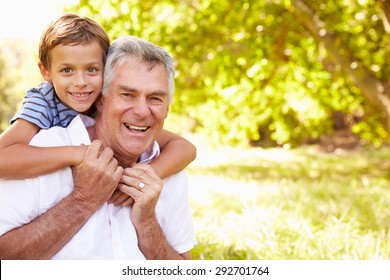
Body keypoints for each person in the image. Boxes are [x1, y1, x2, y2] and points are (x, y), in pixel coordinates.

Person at [0, 35, 197, 259]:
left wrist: (147, 224)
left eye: (155, 98)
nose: (142, 111)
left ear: (167, 108)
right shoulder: (40, 151)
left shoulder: (167, 167)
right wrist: (82, 201)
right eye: (127, 94)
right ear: (100, 99)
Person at [0, 14, 196, 206]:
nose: (81, 82)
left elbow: (186, 148)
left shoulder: (100, 99)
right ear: (46, 72)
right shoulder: (44, 101)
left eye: (92, 69)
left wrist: (147, 175)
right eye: (67, 70)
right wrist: (78, 153)